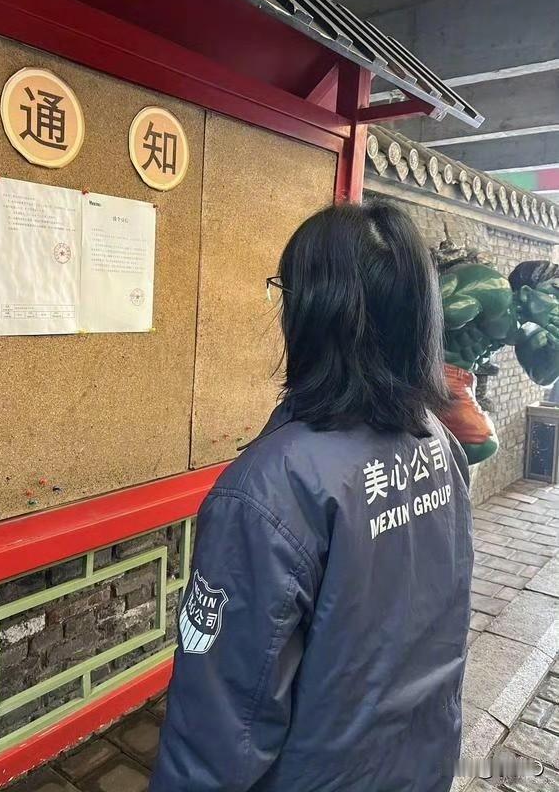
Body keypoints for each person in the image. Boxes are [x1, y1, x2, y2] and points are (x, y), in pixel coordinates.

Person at [149, 198, 473, 792]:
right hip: (420, 763)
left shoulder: (267, 492)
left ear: (315, 313)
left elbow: (221, 729)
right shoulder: (438, 443)